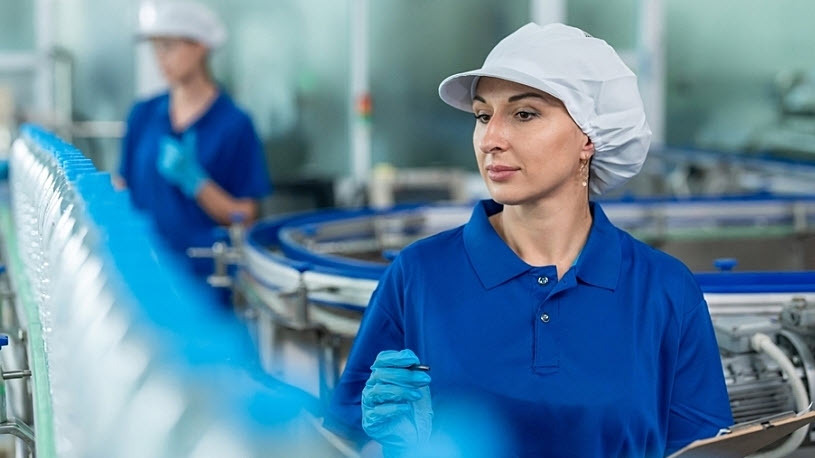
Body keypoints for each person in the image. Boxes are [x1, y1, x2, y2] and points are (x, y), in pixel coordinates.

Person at [327, 23, 733, 457]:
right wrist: (391, 447)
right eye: (483, 115)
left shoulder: (663, 288)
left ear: (589, 137)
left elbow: (704, 450)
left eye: (524, 114)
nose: (491, 140)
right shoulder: (420, 275)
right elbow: (343, 440)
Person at [119, 1, 270, 274]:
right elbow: (124, 187)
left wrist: (198, 184)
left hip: (206, 278)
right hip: (147, 271)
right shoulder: (143, 115)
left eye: (169, 46)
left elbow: (245, 216)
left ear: (200, 46)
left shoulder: (234, 124)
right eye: (155, 47)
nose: (159, 57)